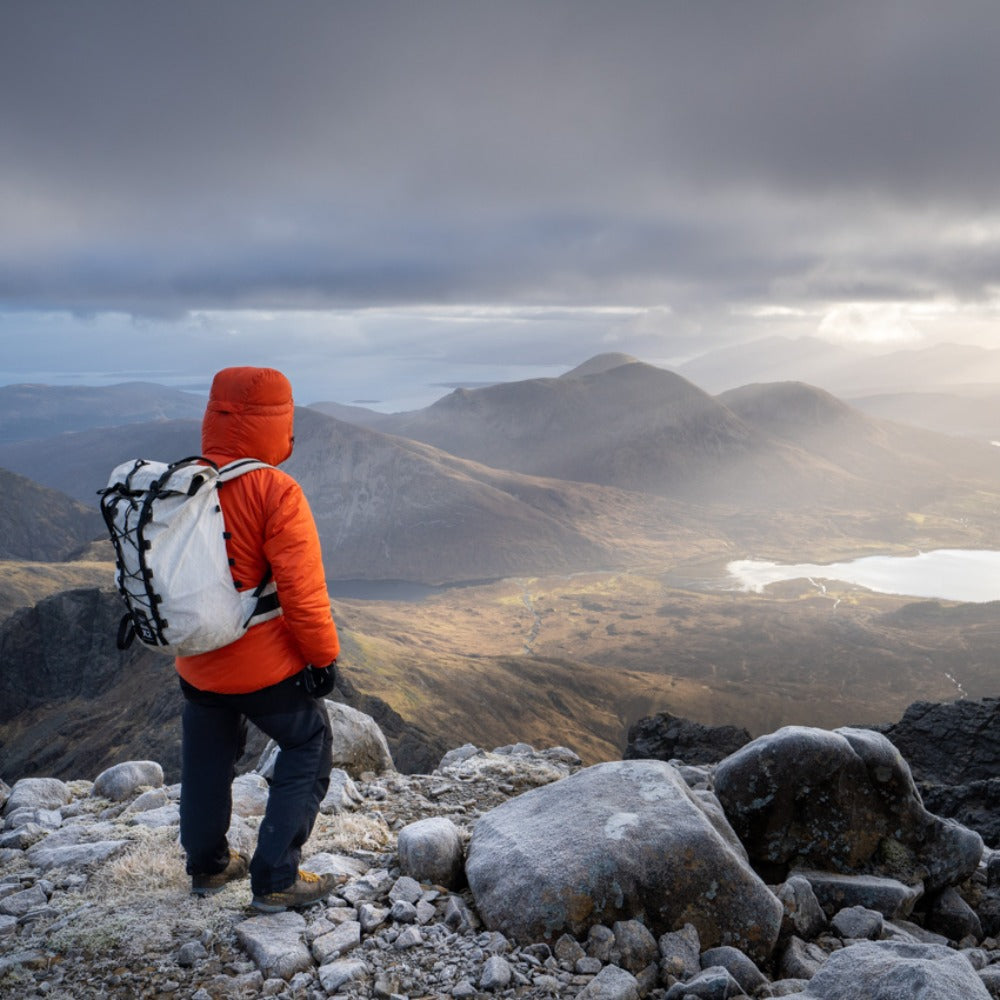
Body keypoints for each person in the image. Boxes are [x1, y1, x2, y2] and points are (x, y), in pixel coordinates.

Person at [175, 366, 342, 912]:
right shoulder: (274, 490)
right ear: (277, 421)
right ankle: (275, 879)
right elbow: (302, 592)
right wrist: (322, 658)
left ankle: (207, 867)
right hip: (263, 668)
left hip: (197, 661)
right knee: (307, 741)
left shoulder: (183, 482)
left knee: (206, 757)